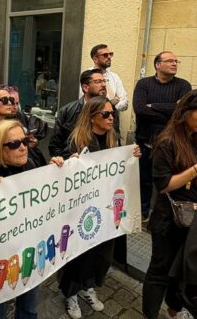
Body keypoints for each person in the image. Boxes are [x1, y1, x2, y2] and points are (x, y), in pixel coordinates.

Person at [142, 90, 197, 319]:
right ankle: (150, 314)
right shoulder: (166, 142)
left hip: (196, 216)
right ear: (185, 112)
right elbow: (163, 185)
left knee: (181, 270)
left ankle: (174, 310)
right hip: (169, 218)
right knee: (160, 271)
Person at [57, 96, 141, 319]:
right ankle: (71, 292)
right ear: (91, 117)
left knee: (100, 253)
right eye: (105, 114)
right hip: (83, 210)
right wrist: (71, 163)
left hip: (106, 208)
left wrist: (131, 158)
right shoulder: (77, 141)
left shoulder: (114, 140)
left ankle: (88, 286)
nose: (111, 117)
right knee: (80, 253)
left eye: (112, 113)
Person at [0, 119, 66, 319]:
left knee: (29, 304)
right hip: (1, 256)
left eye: (24, 141)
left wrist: (58, 169)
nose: (23, 147)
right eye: (14, 144)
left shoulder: (32, 161)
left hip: (31, 249)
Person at [133, 51, 192, 222]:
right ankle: (143, 213)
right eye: (170, 61)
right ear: (158, 65)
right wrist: (170, 112)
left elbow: (183, 112)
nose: (175, 64)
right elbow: (140, 110)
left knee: (168, 181)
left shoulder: (183, 86)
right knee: (143, 181)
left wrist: (154, 106)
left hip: (172, 144)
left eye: (176, 61)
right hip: (145, 142)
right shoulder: (144, 84)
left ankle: (164, 216)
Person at [48, 69, 106, 158]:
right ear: (85, 88)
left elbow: (114, 141)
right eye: (98, 82)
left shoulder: (111, 111)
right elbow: (55, 146)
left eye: (104, 81)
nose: (103, 85)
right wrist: (66, 163)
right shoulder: (67, 111)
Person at [81, 45, 129, 139]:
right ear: (95, 59)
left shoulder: (115, 77)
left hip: (112, 129)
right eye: (105, 55)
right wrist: (112, 102)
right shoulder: (87, 76)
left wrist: (111, 107)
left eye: (110, 54)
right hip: (91, 128)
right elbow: (86, 102)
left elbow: (125, 103)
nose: (109, 57)